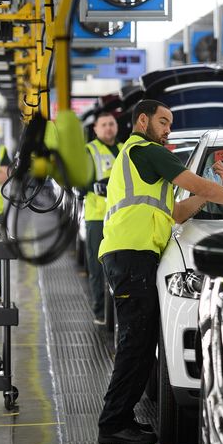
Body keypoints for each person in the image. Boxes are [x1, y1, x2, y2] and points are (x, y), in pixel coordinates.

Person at [97, 100, 223, 444]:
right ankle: (112, 423)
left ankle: (119, 419)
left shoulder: (142, 161)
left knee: (140, 343)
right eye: (163, 122)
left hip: (132, 256)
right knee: (135, 344)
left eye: (170, 123)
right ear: (143, 120)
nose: (168, 129)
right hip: (130, 256)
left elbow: (178, 213)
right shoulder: (146, 151)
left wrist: (209, 183)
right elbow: (200, 188)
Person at [84, 112, 123, 325]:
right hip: (97, 217)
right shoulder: (89, 151)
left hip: (121, 218)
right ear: (96, 129)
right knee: (98, 267)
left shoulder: (125, 148)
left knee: (118, 266)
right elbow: (80, 182)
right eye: (104, 125)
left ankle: (116, 310)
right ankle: (100, 311)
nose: (108, 128)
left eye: (112, 124)